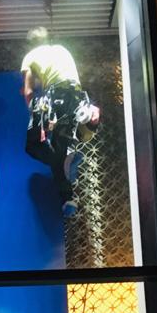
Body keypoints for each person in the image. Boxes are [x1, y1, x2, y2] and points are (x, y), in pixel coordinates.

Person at [21, 27, 101, 217]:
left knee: (34, 146)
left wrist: (35, 113)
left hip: (57, 97)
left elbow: (28, 91)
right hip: (78, 97)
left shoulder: (30, 57)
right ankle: (89, 122)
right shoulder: (62, 50)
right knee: (65, 143)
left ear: (29, 45)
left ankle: (68, 194)